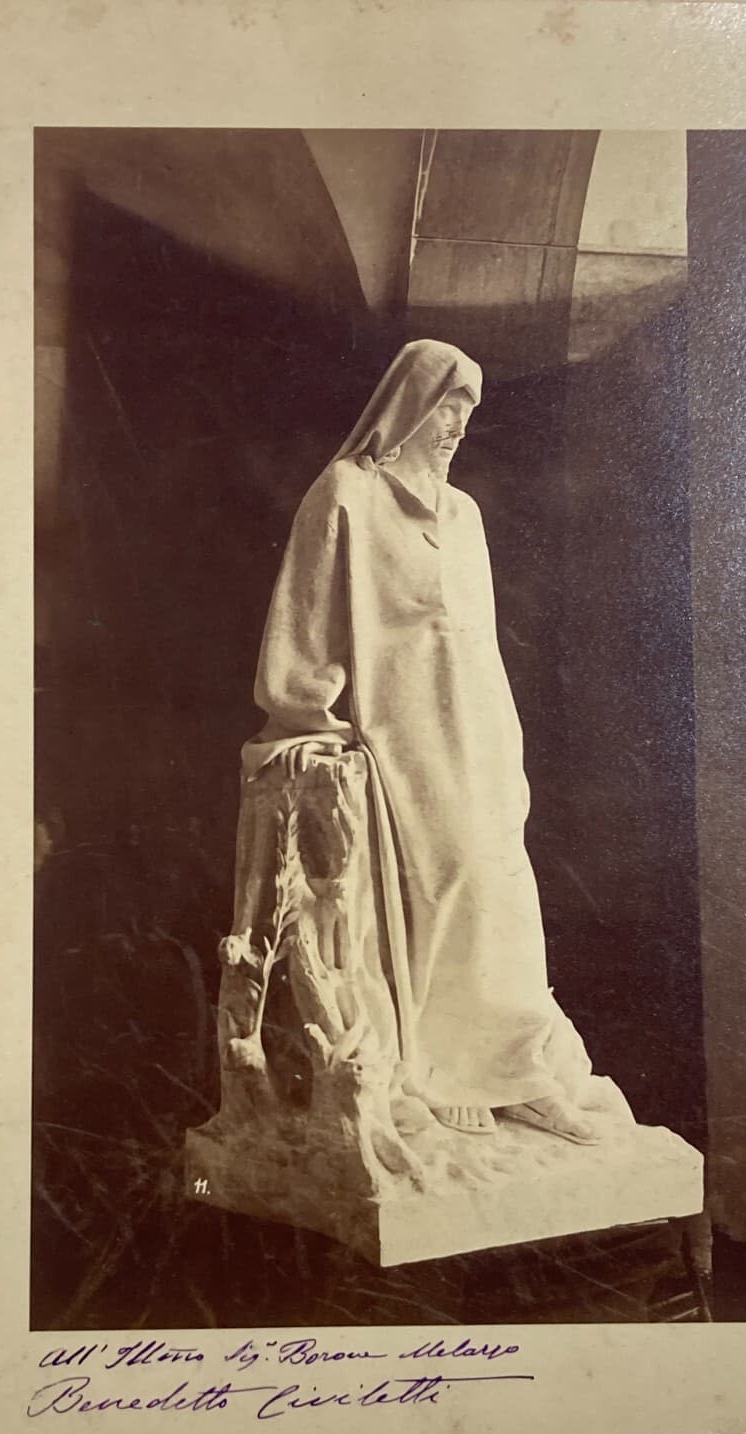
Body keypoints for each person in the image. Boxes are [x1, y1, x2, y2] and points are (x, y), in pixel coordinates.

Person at [242, 339, 619, 1144]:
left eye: (468, 410)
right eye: (447, 403)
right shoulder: (346, 494)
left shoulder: (464, 515)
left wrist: (508, 745)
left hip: (477, 728)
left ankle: (518, 1069)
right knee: (448, 882)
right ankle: (450, 1067)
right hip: (400, 730)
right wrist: (312, 721)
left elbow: (478, 643)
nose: (457, 424)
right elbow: (305, 625)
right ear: (408, 403)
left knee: (504, 887)